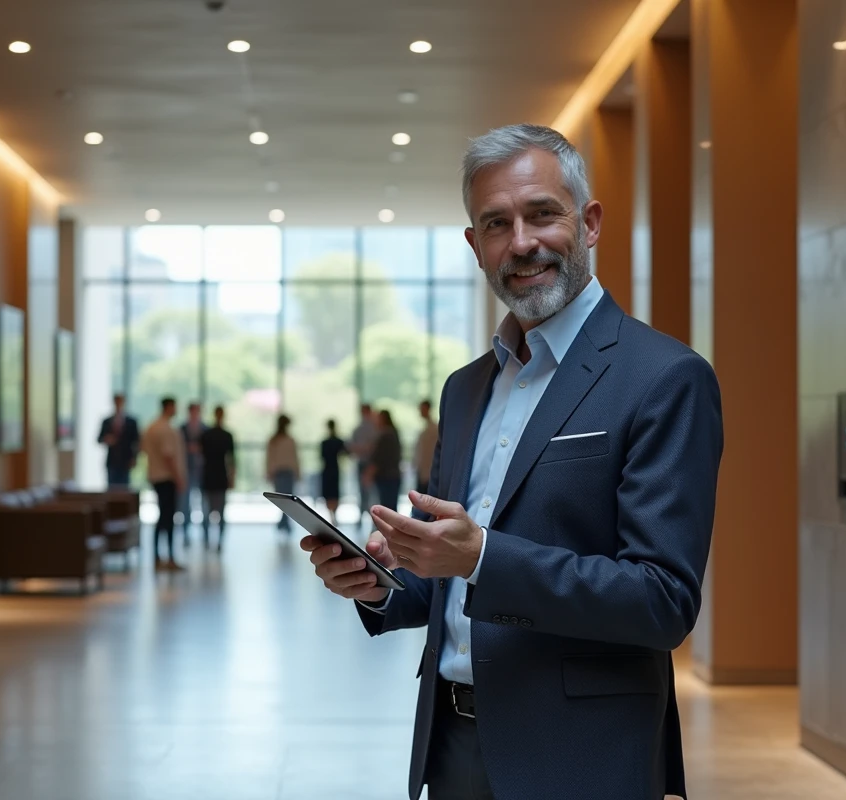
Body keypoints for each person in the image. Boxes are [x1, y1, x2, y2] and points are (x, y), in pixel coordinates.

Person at [300, 123, 723, 800]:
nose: (521, 242)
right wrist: (381, 581)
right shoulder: (465, 389)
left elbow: (661, 600)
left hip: (583, 759)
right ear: (475, 246)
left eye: (542, 214)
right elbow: (448, 579)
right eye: (496, 223)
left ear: (589, 223)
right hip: (454, 748)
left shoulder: (664, 377)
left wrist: (481, 558)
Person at [142, 397, 186, 571]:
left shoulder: (152, 427)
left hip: (157, 477)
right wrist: (178, 478)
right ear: (168, 407)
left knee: (164, 517)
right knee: (167, 518)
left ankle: (159, 556)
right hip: (166, 478)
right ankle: (167, 557)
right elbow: (168, 456)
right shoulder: (164, 429)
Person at [199, 406, 236, 552]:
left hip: (210, 476)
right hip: (217, 477)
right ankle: (216, 541)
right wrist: (232, 477)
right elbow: (231, 460)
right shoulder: (225, 435)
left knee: (208, 512)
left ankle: (209, 540)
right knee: (218, 512)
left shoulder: (207, 435)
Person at [265, 414, 299, 535]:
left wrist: (269, 472)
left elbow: (270, 458)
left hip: (282, 473)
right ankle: (284, 523)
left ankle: (283, 522)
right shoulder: (284, 440)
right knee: (285, 499)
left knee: (284, 499)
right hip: (283, 473)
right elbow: (294, 459)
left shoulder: (276, 440)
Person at [177, 402, 206, 545]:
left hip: (202, 470)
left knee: (204, 503)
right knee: (184, 504)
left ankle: (205, 535)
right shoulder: (182, 429)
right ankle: (185, 533)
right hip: (186, 470)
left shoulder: (205, 429)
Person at [97, 394, 139, 489]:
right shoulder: (107, 421)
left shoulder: (131, 422)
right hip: (112, 461)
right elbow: (99, 439)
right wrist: (107, 439)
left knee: (125, 488)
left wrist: (135, 458)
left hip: (126, 461)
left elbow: (136, 441)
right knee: (112, 488)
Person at [348, 404, 378, 531]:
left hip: (372, 464)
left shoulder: (375, 428)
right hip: (364, 464)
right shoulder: (360, 429)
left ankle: (373, 521)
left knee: (371, 494)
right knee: (364, 493)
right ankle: (365, 520)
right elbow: (351, 446)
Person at [366, 410, 402, 513]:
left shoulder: (386, 435)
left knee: (386, 509)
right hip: (392, 476)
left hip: (386, 477)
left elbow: (379, 458)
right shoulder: (393, 433)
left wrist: (369, 473)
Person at [319, 420, 347, 526]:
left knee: (329, 493)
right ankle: (333, 514)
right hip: (334, 469)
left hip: (327, 469)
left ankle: (332, 515)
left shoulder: (325, 443)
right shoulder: (338, 442)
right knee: (334, 493)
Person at [414, 400, 439, 496]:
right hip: (423, 471)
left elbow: (429, 453)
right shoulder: (426, 428)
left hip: (428, 472)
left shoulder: (433, 429)